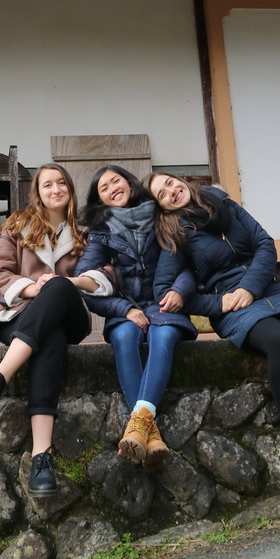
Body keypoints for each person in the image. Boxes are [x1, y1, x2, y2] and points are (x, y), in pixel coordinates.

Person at [147, 174, 280, 480]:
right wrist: (217, 305)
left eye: (171, 183)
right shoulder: (174, 233)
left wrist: (250, 286)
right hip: (230, 305)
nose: (171, 191)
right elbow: (163, 292)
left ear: (182, 181)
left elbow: (264, 244)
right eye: (161, 193)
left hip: (268, 287)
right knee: (278, 340)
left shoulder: (223, 203)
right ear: (161, 207)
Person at [0, 164, 112, 494]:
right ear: (38, 192)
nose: (55, 189)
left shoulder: (85, 232)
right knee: (51, 340)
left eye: (62, 182)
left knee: (60, 288)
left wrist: (62, 282)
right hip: (19, 314)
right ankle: (41, 458)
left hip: (71, 314)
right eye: (47, 184)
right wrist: (36, 288)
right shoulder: (18, 225)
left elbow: (106, 276)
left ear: (70, 191)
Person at [75, 165, 196, 470]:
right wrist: (124, 310)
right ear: (99, 199)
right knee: (126, 338)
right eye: (104, 188)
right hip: (126, 307)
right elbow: (85, 282)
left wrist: (181, 290)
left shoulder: (163, 214)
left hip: (164, 304)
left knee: (164, 334)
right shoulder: (101, 233)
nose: (113, 187)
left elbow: (191, 264)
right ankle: (151, 437)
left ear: (129, 182)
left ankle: (140, 425)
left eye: (116, 180)